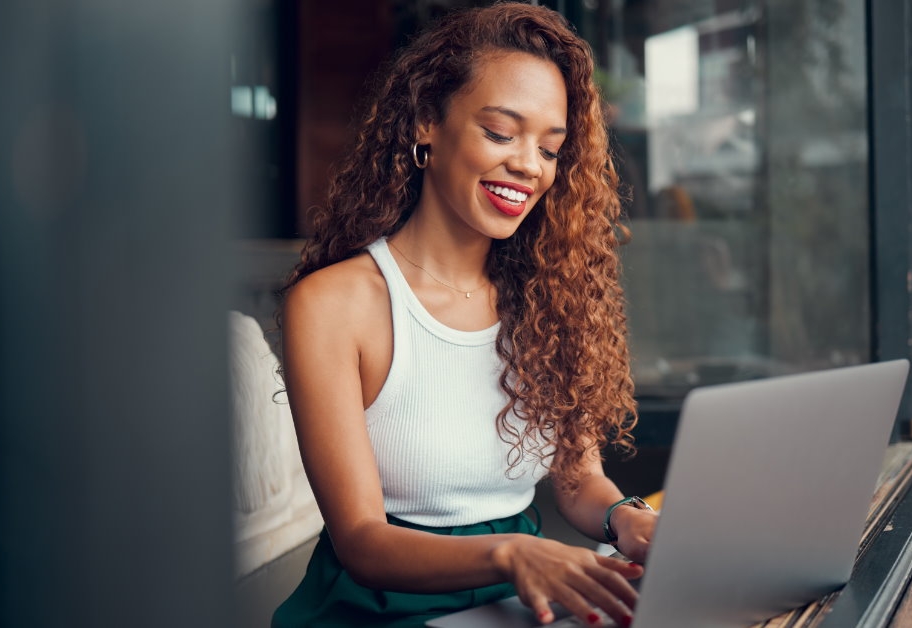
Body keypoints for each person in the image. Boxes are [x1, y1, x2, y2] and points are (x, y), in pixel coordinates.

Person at [272, 4, 658, 627]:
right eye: (501, 133)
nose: (529, 165)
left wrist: (626, 518)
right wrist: (513, 554)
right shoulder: (333, 305)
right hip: (378, 611)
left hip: (519, 606)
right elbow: (362, 542)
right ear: (427, 122)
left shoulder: (549, 299)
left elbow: (580, 480)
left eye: (550, 148)